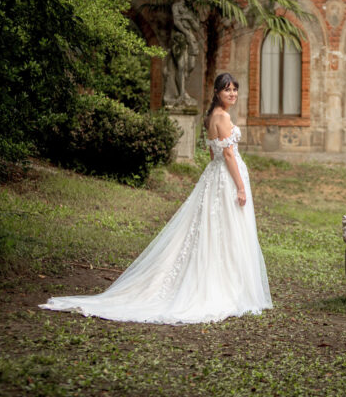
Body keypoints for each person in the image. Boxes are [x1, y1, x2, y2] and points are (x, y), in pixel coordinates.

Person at [40, 73, 272, 324]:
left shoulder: (210, 117)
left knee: (217, 228)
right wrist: (240, 187)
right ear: (217, 92)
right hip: (225, 178)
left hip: (215, 176)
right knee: (226, 228)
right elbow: (227, 155)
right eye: (227, 90)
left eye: (235, 89)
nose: (232, 94)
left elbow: (212, 153)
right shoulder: (223, 117)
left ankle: (225, 279)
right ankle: (227, 285)